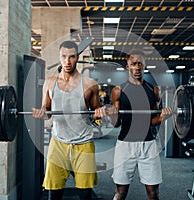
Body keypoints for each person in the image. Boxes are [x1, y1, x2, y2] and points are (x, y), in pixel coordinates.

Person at [32, 40, 103, 200]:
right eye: (64, 56)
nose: (67, 61)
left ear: (77, 57)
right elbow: (47, 112)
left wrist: (98, 115)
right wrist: (41, 114)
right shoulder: (50, 82)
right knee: (54, 192)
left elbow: (95, 115)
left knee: (85, 193)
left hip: (84, 143)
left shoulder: (90, 84)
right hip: (58, 142)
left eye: (71, 57)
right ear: (59, 57)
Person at [107, 49, 173, 200]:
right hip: (125, 145)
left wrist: (163, 117)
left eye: (140, 64)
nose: (137, 67)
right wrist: (112, 116)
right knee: (120, 192)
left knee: (153, 193)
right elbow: (117, 124)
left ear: (145, 66)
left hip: (148, 145)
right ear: (127, 66)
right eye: (133, 64)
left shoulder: (154, 90)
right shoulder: (118, 91)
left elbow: (152, 120)